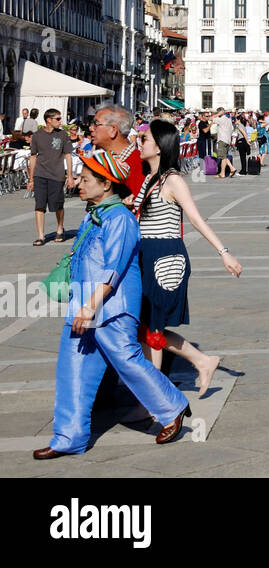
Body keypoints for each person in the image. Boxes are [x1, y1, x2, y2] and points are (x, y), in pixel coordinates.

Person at [34, 151, 192, 459]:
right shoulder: (93, 213)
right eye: (79, 178)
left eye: (86, 180)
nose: (79, 184)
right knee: (72, 371)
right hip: (84, 305)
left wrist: (91, 306)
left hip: (112, 307)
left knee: (127, 360)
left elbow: (114, 269)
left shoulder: (119, 218)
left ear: (106, 185)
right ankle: (68, 438)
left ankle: (172, 406)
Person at [135, 120, 242, 395]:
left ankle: (156, 397)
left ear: (159, 147)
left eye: (145, 138)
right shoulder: (149, 178)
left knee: (153, 327)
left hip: (165, 257)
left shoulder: (173, 180)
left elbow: (195, 218)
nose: (140, 142)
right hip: (146, 254)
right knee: (148, 327)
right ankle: (202, 361)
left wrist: (224, 253)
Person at [27, 109, 75, 245]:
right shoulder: (37, 135)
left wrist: (70, 176)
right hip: (40, 174)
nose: (60, 121)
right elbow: (32, 157)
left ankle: (60, 228)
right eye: (58, 119)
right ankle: (41, 236)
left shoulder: (63, 135)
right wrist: (31, 179)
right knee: (39, 205)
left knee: (57, 204)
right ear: (49, 120)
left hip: (57, 175)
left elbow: (68, 155)